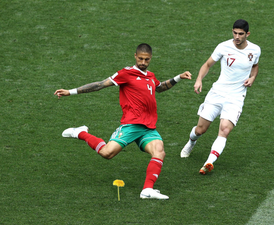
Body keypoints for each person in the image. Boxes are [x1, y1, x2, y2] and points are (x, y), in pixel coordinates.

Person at [54, 43, 192, 199]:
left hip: (148, 127)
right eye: (140, 59)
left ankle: (147, 190)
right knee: (107, 153)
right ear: (135, 56)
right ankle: (80, 133)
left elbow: (159, 87)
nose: (143, 62)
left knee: (159, 151)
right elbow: (99, 85)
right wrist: (70, 92)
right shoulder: (126, 73)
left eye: (146, 60)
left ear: (150, 58)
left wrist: (178, 78)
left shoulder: (151, 76)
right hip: (131, 124)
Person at [180, 19, 261, 175]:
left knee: (224, 130)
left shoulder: (255, 50)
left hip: (236, 97)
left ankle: (209, 162)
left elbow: (255, 66)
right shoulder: (223, 47)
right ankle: (191, 142)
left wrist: (252, 77)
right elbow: (207, 64)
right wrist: (199, 79)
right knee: (201, 129)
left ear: (247, 34)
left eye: (240, 34)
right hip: (217, 93)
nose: (237, 37)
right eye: (234, 33)